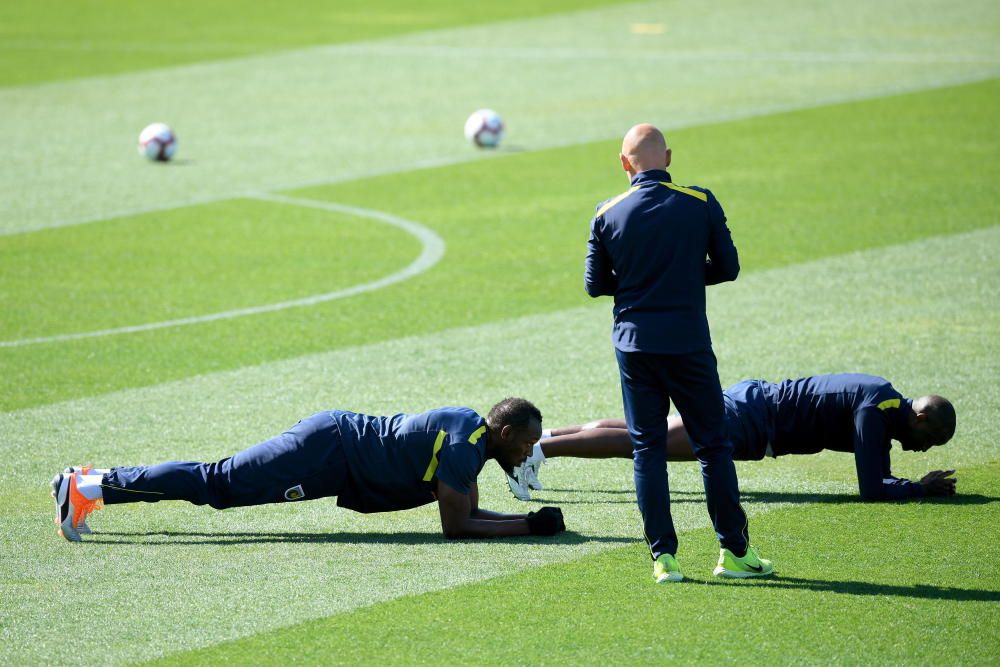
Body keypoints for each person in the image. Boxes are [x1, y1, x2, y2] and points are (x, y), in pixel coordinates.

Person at [585, 123, 770, 583]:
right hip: (687, 344)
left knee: (646, 449)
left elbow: (594, 285)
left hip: (634, 345)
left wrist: (639, 284)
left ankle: (663, 559)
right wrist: (682, 277)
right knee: (712, 446)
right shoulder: (700, 201)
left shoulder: (605, 213)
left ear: (624, 164)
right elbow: (728, 268)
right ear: (667, 157)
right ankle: (734, 552)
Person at [51, 398, 566, 542]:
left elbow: (470, 510)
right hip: (325, 452)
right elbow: (457, 527)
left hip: (334, 453)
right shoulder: (463, 449)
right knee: (218, 483)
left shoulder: (472, 437)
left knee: (220, 485)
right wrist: (529, 525)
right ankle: (87, 485)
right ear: (504, 434)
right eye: (526, 444)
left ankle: (89, 484)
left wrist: (528, 523)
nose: (528, 454)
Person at [507, 374, 958, 503]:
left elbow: (878, 469)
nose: (924, 449)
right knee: (645, 444)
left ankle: (543, 442)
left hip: (747, 410)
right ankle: (537, 451)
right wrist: (921, 488)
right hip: (745, 420)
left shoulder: (882, 402)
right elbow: (873, 486)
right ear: (917, 417)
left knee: (643, 433)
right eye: (930, 439)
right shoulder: (876, 411)